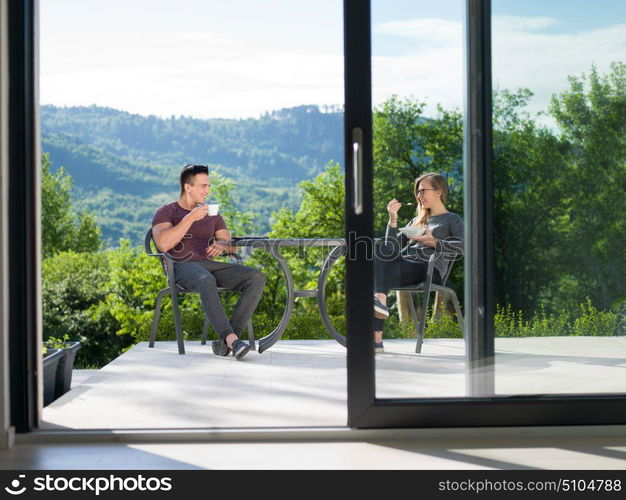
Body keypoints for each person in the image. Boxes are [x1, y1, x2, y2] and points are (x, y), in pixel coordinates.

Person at [151, 164, 266, 360]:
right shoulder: (167, 211)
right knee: (205, 279)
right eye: (203, 186)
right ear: (188, 187)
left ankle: (228, 342)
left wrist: (222, 246)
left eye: (208, 185)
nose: (208, 190)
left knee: (256, 277)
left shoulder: (212, 214)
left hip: (209, 265)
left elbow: (228, 243)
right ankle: (232, 340)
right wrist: (190, 218)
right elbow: (163, 244)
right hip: (179, 267)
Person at [372, 172, 464, 353]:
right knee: (379, 251)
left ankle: (376, 337)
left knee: (375, 284)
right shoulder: (417, 221)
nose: (419, 195)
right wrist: (393, 219)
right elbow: (391, 247)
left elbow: (463, 246)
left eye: (423, 191)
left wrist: (433, 241)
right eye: (418, 192)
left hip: (430, 269)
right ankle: (379, 307)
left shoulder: (452, 219)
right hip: (407, 265)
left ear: (438, 192)